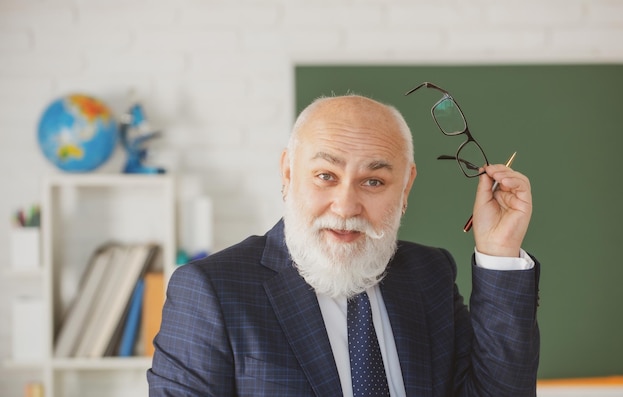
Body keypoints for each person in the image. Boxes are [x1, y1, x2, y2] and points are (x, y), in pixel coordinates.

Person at [147, 95, 540, 396]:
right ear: (287, 173)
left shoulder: (430, 275)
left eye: (373, 182)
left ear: (406, 188)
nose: (346, 206)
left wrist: (498, 249)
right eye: (325, 175)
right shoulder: (210, 291)